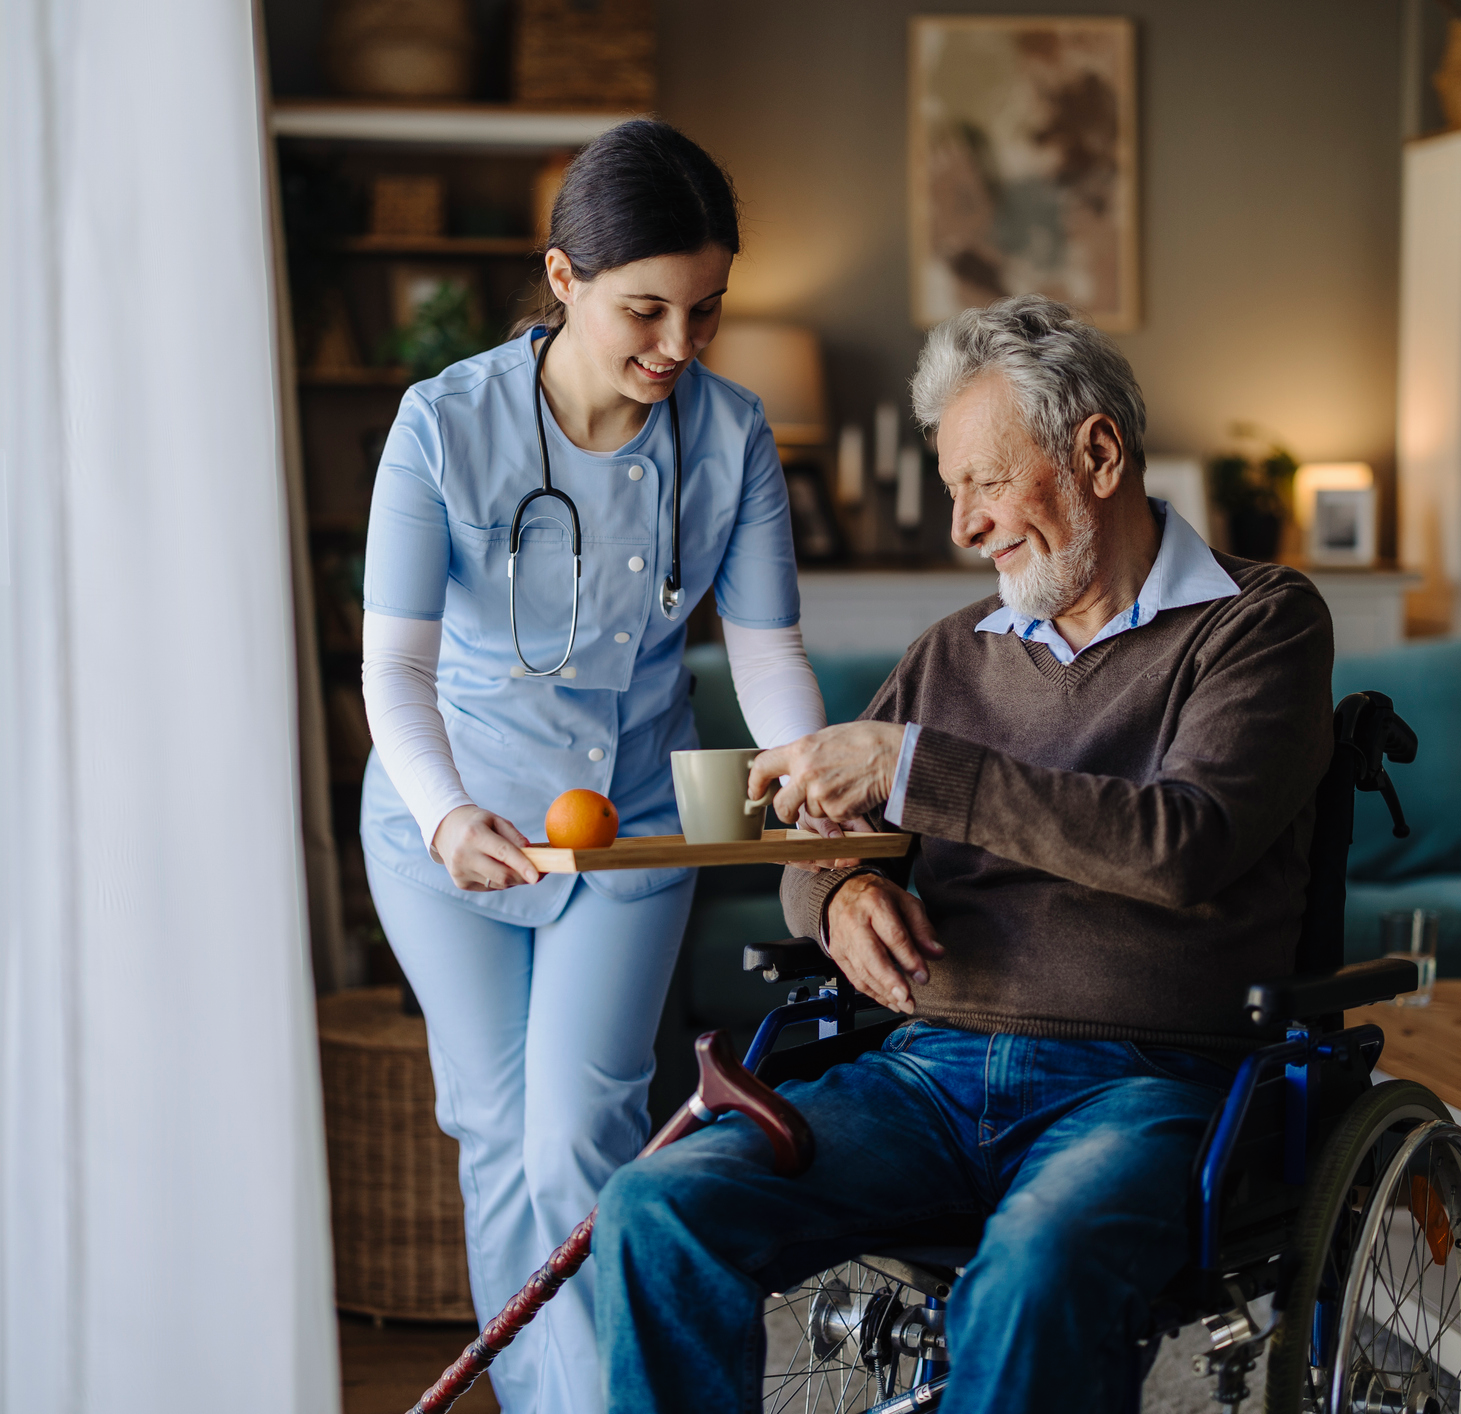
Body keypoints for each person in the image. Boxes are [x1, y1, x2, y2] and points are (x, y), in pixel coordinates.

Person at [591, 295, 1336, 1412]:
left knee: (1030, 1273)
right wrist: (838, 895)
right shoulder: (949, 654)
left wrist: (912, 765)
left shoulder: (1256, 625)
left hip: (1144, 1083)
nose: (964, 526)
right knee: (653, 1210)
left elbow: (1186, 844)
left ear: (1095, 453)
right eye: (952, 491)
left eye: (984, 482)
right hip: (925, 1077)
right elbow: (815, 848)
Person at [357, 119, 829, 1414]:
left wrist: (801, 764)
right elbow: (391, 669)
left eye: (705, 311)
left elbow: (767, 648)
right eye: (645, 310)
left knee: (581, 1130)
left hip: (628, 827)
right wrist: (448, 813)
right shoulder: (442, 426)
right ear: (561, 279)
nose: (678, 346)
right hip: (442, 818)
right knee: (496, 1133)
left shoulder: (729, 438)